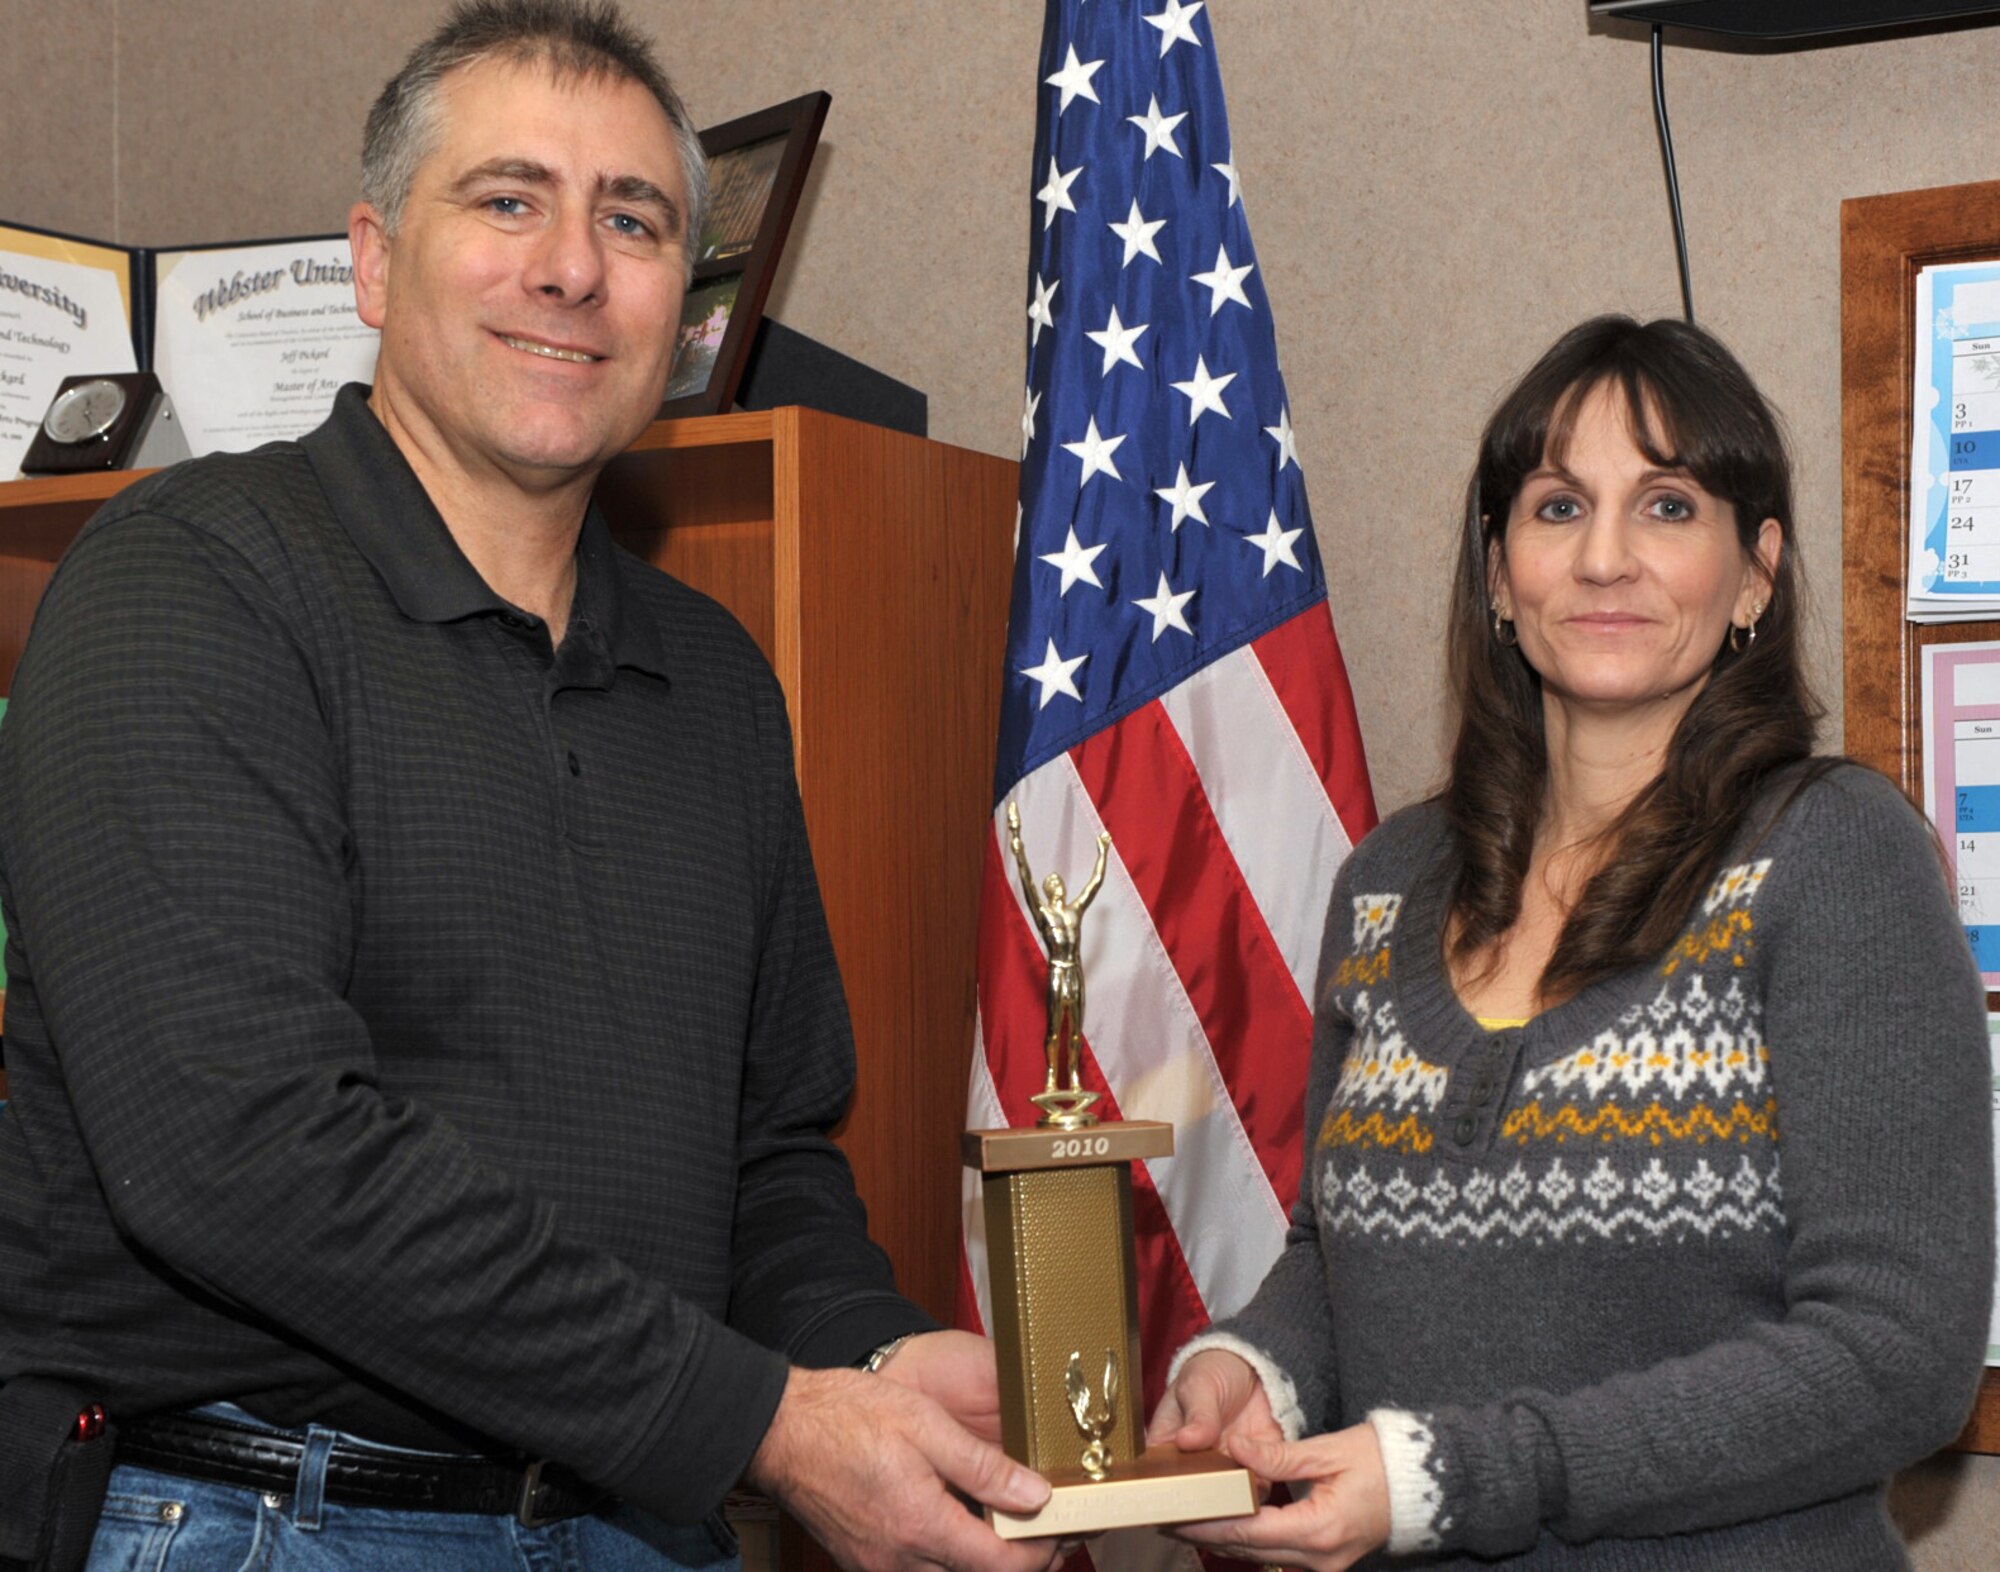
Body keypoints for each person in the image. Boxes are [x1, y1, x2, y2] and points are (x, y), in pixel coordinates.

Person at [0, 4, 1059, 1569]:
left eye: (631, 221)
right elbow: (243, 1155)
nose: (572, 268)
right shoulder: (186, 586)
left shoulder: (717, 681)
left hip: (640, 1514)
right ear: (374, 263)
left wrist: (872, 1356)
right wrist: (764, 1425)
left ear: (681, 306)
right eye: (508, 200)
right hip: (269, 1512)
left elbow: (766, 1154)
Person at [1150, 315, 1996, 1570]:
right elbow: (1338, 1257)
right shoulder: (1385, 882)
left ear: (1754, 573)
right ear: (1497, 574)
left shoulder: (1833, 856)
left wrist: (1462, 1477)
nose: (1604, 558)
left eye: (1666, 507)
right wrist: (1255, 1367)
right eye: (1556, 508)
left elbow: (1894, 1356)